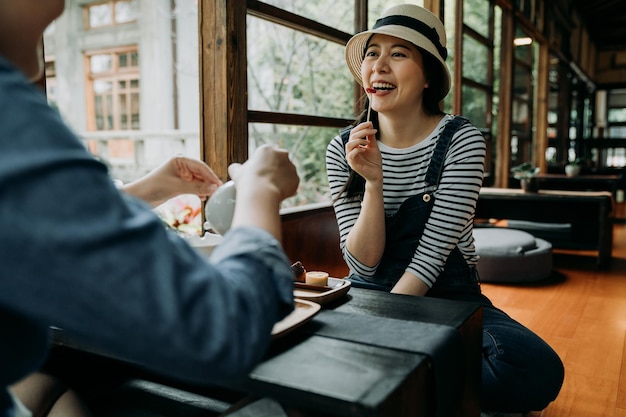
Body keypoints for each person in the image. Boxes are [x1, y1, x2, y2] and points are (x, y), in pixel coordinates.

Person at [0, 3, 299, 417]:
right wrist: (261, 187)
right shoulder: (9, 117)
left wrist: (150, 189)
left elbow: (30, 221)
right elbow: (222, 329)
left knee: (55, 388)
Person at [326, 4, 564, 416]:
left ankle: (396, 388)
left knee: (532, 369)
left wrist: (385, 337)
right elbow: (363, 267)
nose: (378, 66)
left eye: (399, 54)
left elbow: (431, 260)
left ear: (427, 76)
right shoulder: (343, 148)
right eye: (372, 53)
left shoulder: (461, 140)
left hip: (446, 297)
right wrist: (374, 183)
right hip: (368, 296)